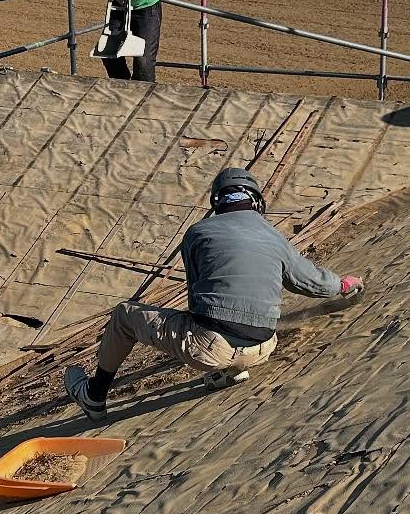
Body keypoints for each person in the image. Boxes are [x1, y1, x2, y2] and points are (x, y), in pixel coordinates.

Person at [64, 167, 364, 421]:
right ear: (257, 202)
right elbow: (310, 282)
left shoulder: (198, 232)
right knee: (231, 324)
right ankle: (233, 371)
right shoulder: (274, 236)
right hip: (263, 347)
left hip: (210, 349)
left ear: (217, 201)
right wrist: (344, 285)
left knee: (124, 315)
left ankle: (94, 395)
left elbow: (196, 298)